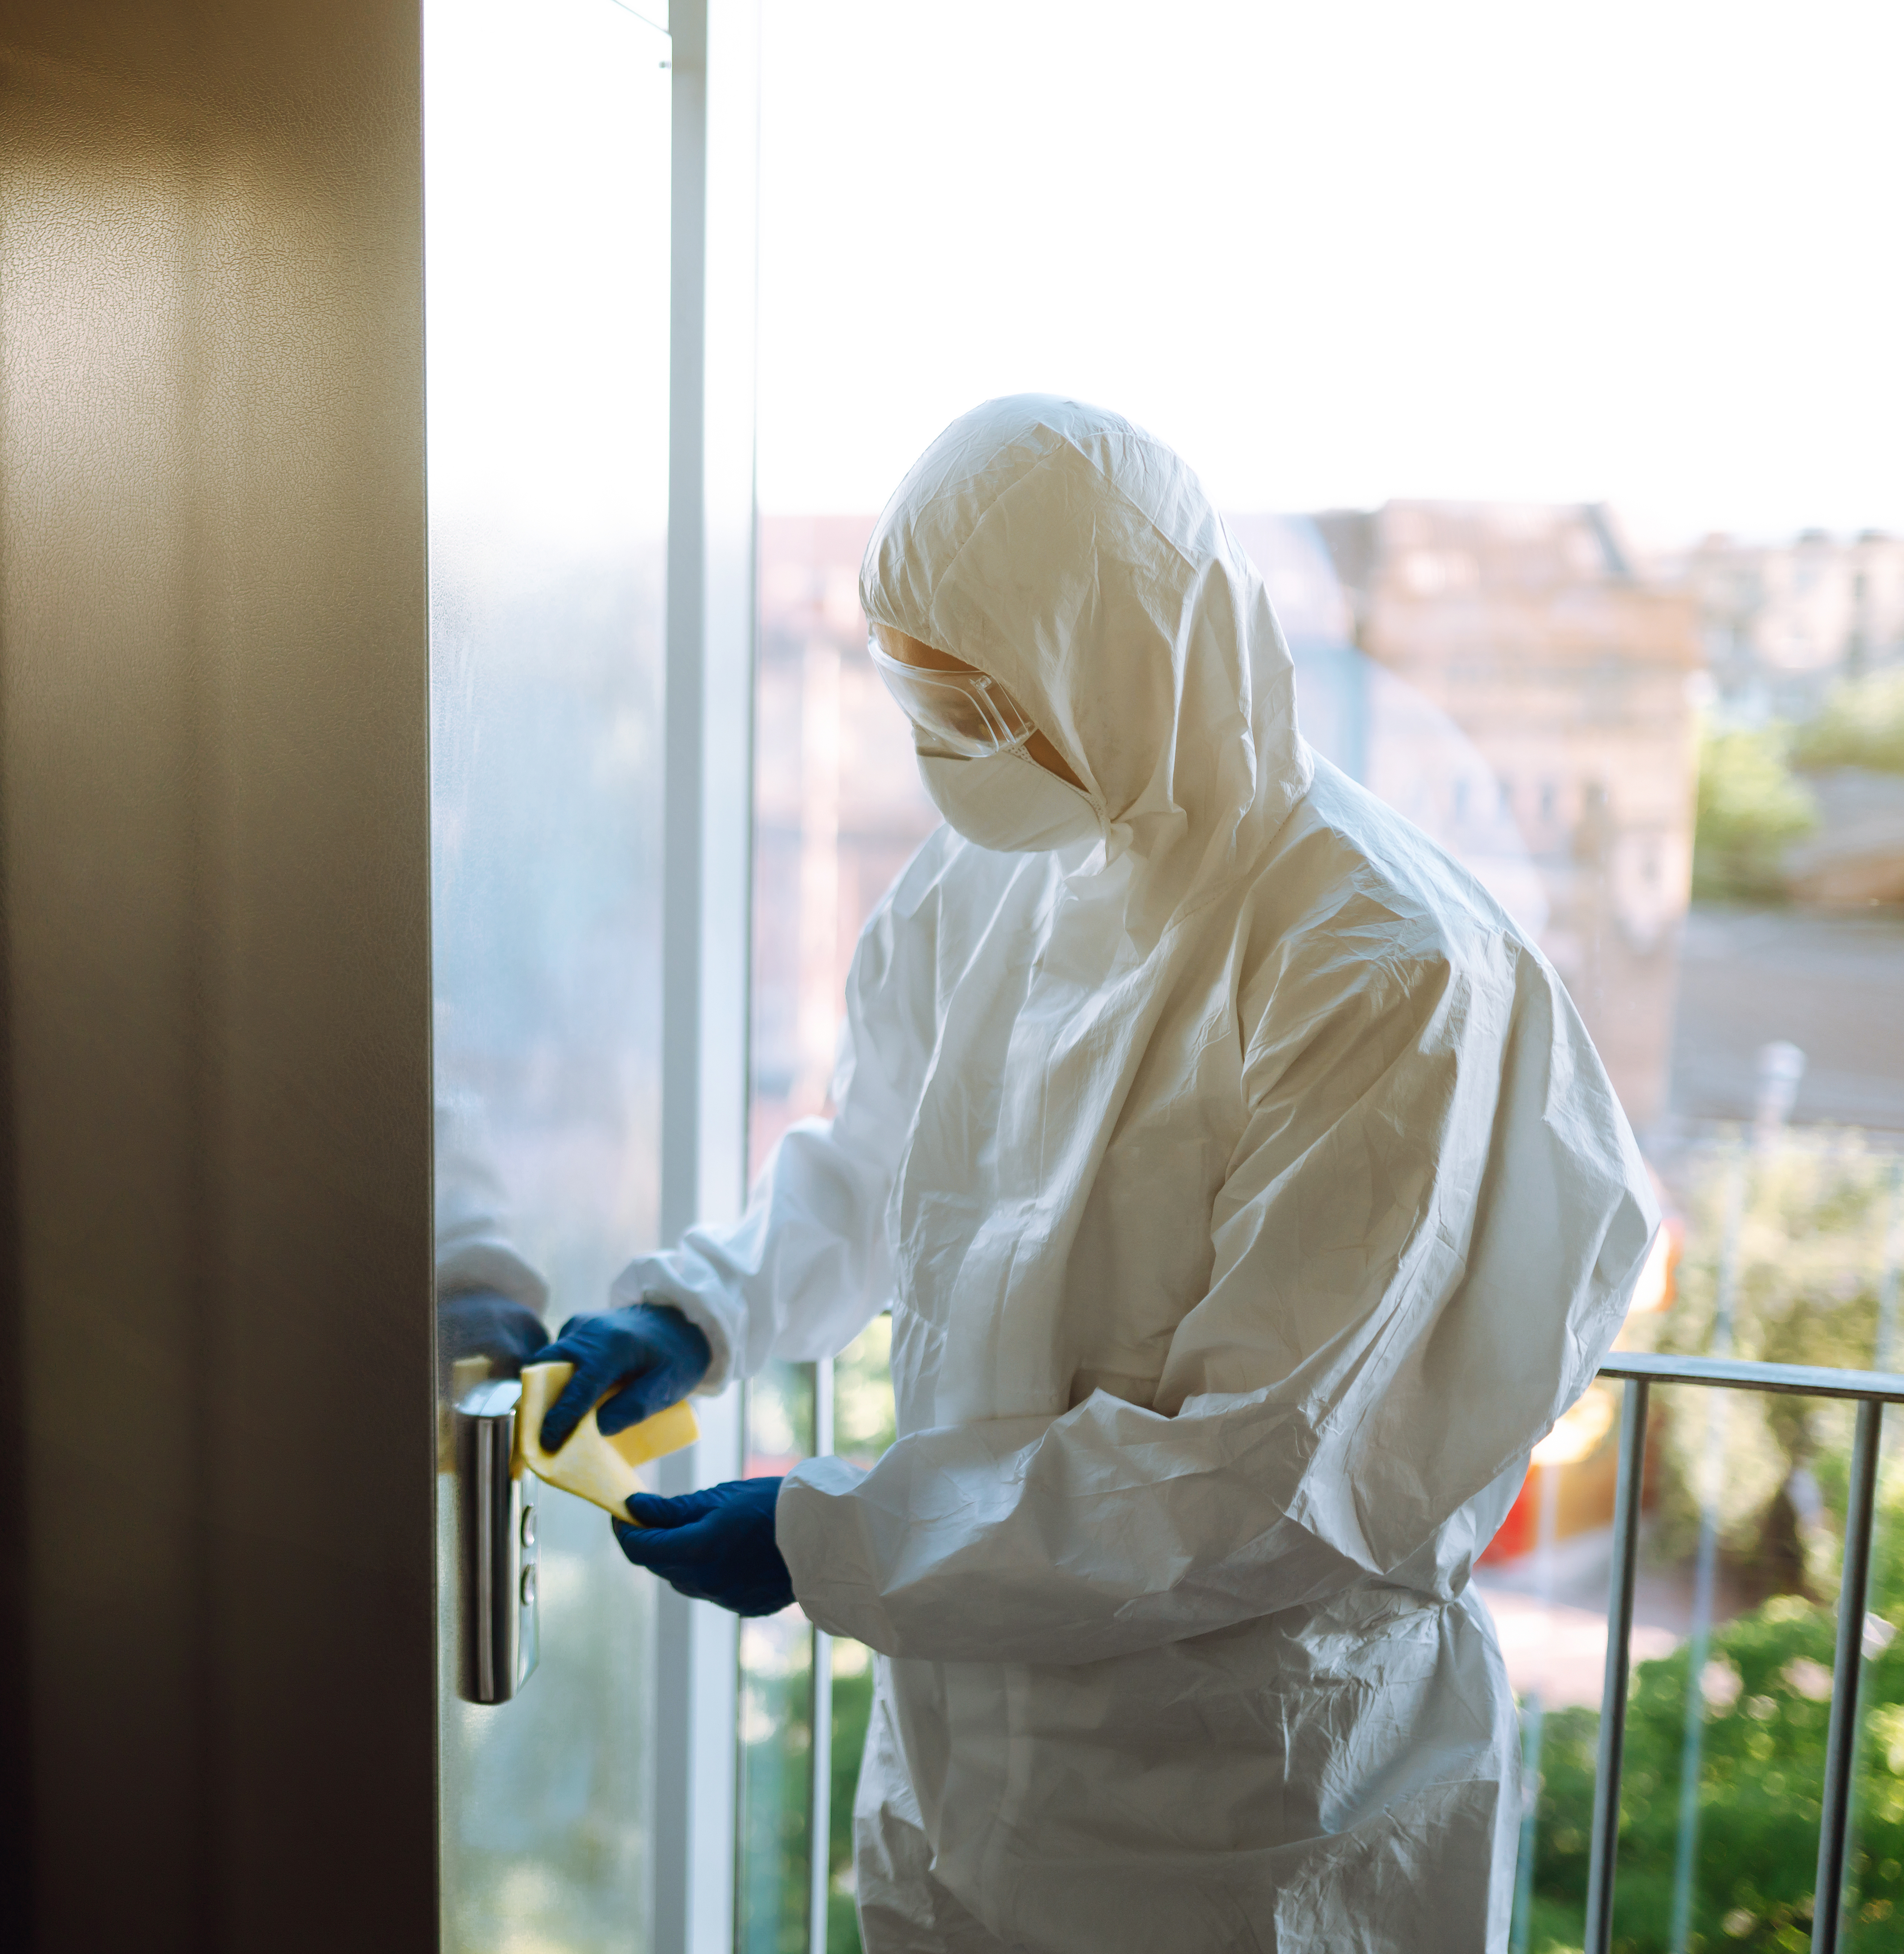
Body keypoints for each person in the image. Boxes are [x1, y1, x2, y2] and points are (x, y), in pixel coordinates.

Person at [534, 396, 1657, 1953]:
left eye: (979, 707)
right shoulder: (996, 870)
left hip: (1246, 1810)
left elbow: (1257, 1472)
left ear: (1112, 656)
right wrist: (698, 1311)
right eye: (924, 702)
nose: (949, 755)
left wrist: (827, 1534)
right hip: (964, 1766)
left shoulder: (1372, 966)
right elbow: (876, 1163)